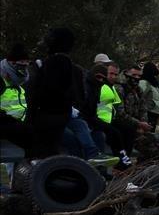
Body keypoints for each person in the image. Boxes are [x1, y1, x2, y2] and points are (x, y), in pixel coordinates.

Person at [25, 28, 102, 161]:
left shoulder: (52, 64)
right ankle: (84, 165)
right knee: (74, 140)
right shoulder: (62, 65)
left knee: (80, 128)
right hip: (51, 120)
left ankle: (90, 159)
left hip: (57, 116)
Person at [0, 45, 35, 152]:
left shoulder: (23, 81)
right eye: (21, 64)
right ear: (12, 63)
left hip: (22, 122)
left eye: (26, 64)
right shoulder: (2, 80)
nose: (24, 68)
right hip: (6, 124)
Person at [139, 63, 159, 133]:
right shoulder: (143, 82)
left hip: (154, 113)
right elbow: (140, 96)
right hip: (148, 113)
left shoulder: (153, 83)